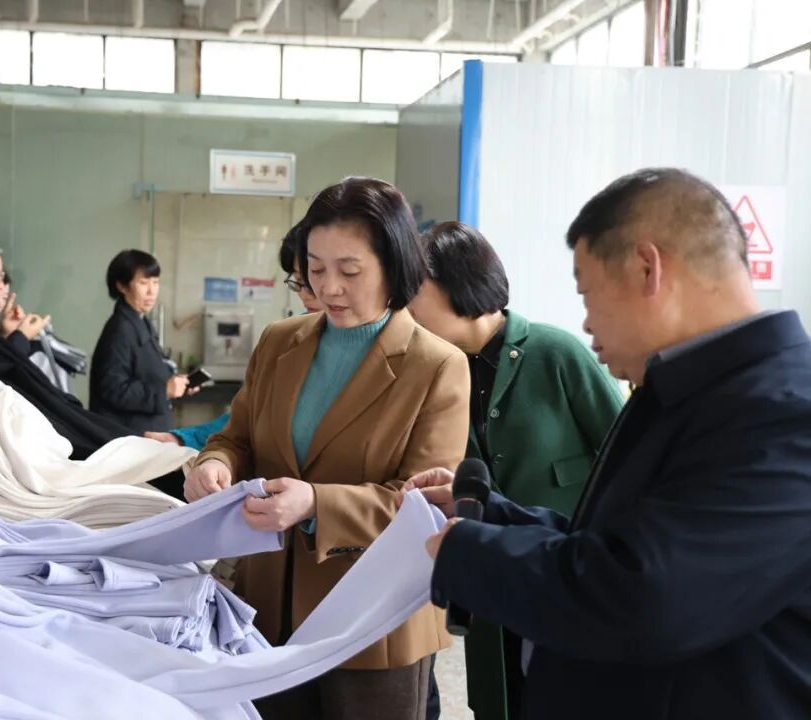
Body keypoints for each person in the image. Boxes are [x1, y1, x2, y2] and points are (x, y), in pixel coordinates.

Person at [416, 168, 811, 720]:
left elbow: (647, 597)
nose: (585, 322)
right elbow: (616, 545)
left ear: (648, 268)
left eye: (587, 293)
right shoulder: (687, 392)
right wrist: (490, 517)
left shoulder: (785, 412)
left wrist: (472, 554)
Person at [185, 177, 470, 720]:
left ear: (394, 266)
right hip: (267, 611)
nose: (330, 287)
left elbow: (426, 505)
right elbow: (236, 436)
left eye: (350, 271)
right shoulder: (279, 342)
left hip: (372, 620)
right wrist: (214, 462)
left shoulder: (436, 366)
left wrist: (316, 503)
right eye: (315, 269)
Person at [407, 221, 624, 720]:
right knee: (500, 699)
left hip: (569, 575)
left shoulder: (555, 352)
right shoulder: (440, 370)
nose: (407, 304)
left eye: (416, 288)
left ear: (458, 283)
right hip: (492, 579)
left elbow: (623, 453)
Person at [145, 226, 323, 450]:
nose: (304, 293)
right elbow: (247, 417)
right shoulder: (286, 339)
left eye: (314, 276)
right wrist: (184, 439)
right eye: (298, 280)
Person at [89, 249, 192, 435]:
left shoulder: (140, 322)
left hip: (147, 433)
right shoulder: (120, 329)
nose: (151, 291)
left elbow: (147, 373)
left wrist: (177, 385)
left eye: (155, 282)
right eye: (143, 283)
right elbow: (113, 388)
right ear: (122, 286)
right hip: (129, 437)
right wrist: (164, 391)